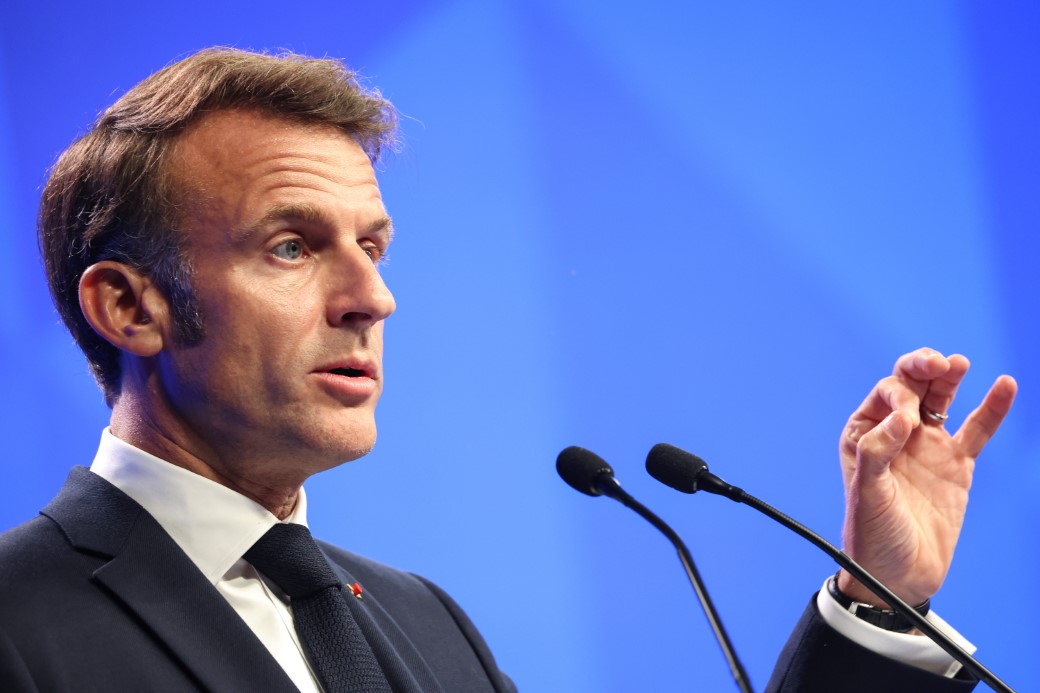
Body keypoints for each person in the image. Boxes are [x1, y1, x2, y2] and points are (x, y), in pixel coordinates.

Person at [0, 47, 1016, 692]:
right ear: (129, 307)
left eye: (374, 246)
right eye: (292, 246)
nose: (371, 298)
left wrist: (875, 597)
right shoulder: (18, 622)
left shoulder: (425, 623)